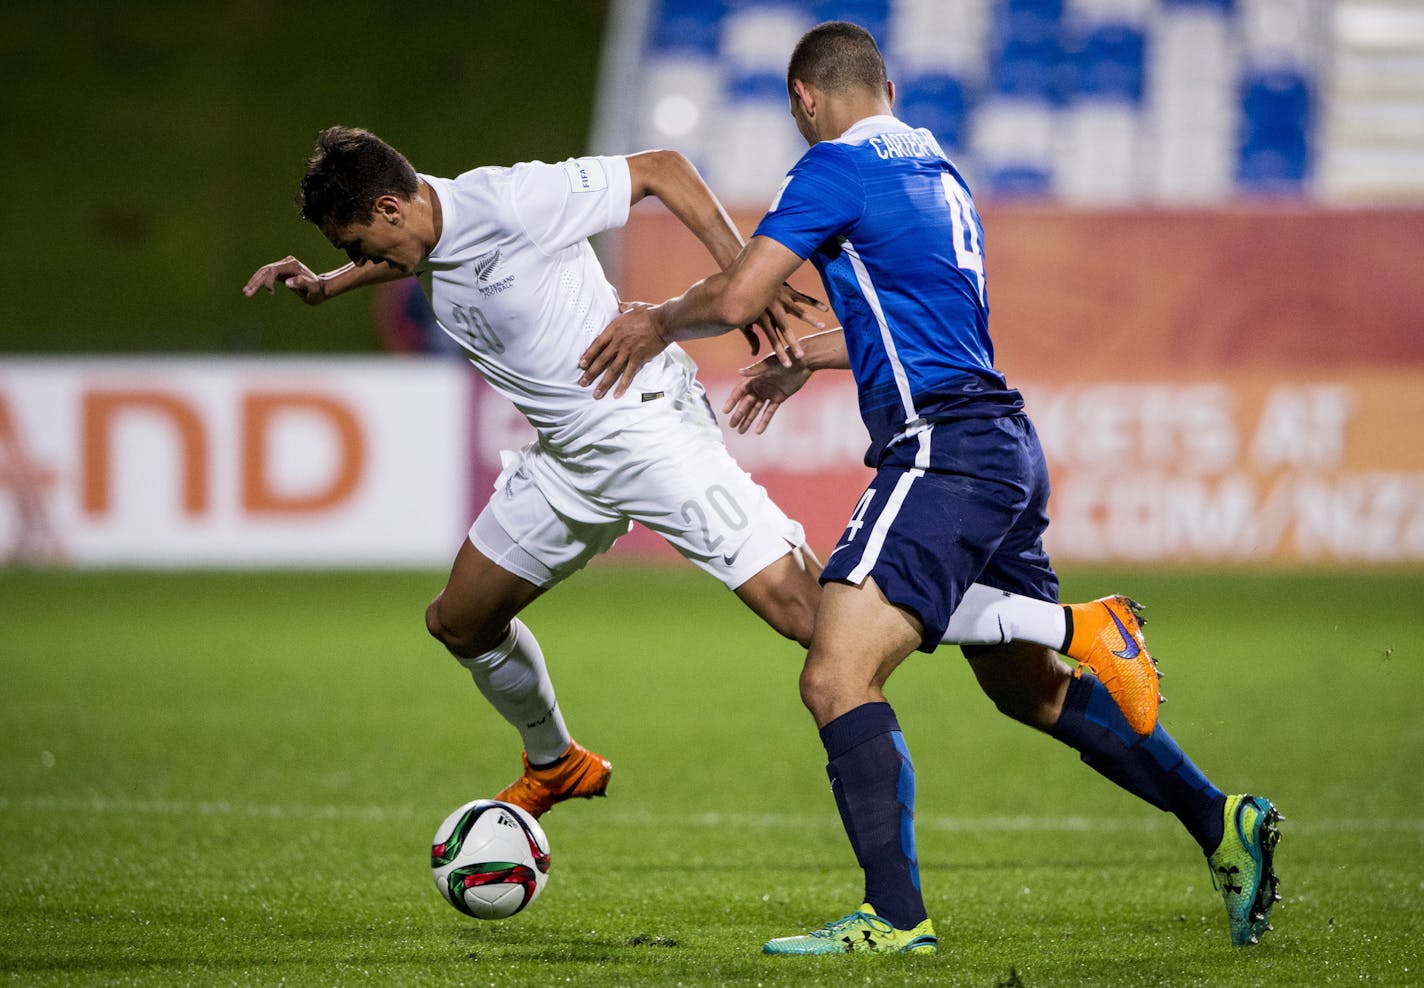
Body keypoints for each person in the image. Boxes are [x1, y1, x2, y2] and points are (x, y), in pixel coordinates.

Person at [244, 127, 1172, 834]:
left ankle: (1077, 627)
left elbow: (661, 169)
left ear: (396, 208)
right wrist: (332, 283)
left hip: (648, 431)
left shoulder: (514, 200)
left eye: (362, 241)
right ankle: (555, 761)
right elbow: (428, 257)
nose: (369, 258)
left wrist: (743, 273)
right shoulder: (422, 230)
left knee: (821, 624)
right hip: (567, 462)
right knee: (461, 620)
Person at [580, 21, 1280, 954]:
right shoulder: (939, 173)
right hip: (999, 447)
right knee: (1031, 697)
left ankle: (896, 917)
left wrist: (660, 319)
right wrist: (813, 358)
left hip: (941, 449)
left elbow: (742, 295)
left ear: (804, 100)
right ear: (890, 92)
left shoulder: (833, 166)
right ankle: (1217, 818)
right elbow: (923, 329)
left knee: (836, 673)